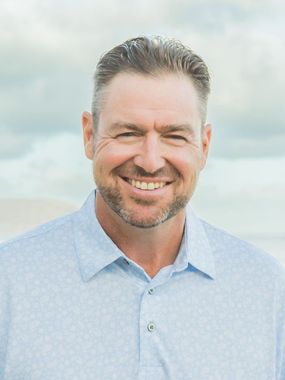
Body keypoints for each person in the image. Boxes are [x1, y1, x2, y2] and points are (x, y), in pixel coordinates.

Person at [0, 36, 284, 380]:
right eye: (128, 133)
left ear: (204, 146)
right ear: (89, 136)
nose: (150, 162)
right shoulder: (9, 283)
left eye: (175, 136)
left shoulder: (268, 291)